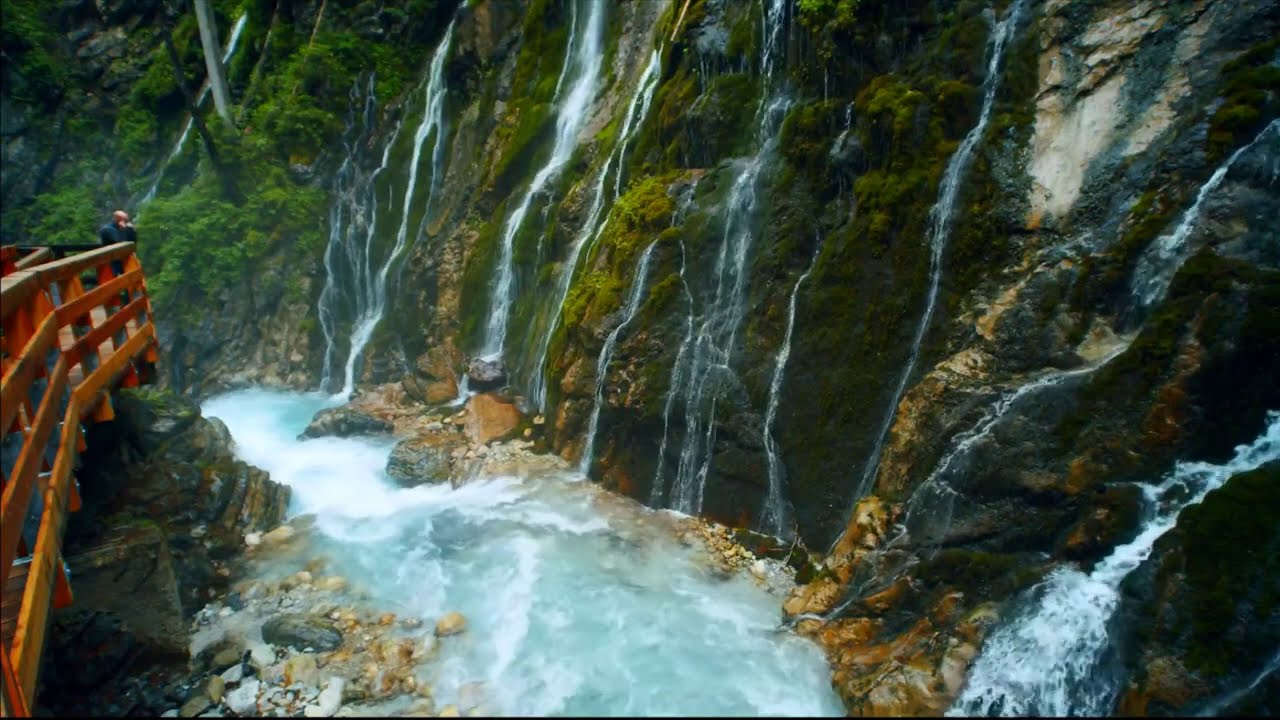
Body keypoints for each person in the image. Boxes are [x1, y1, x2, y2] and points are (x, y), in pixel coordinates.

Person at [98, 210, 136, 299]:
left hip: (122, 261)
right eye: (125, 221)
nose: (127, 223)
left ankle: (128, 300)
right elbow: (121, 243)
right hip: (111, 263)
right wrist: (124, 229)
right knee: (113, 289)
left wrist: (131, 230)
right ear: (118, 220)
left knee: (128, 285)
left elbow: (133, 243)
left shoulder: (121, 228)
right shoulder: (107, 230)